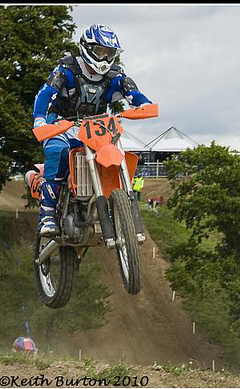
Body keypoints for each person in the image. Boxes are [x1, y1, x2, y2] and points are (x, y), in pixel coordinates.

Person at [32, 24, 152, 235]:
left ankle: (117, 205)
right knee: (57, 152)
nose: (104, 59)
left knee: (112, 152)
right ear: (87, 48)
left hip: (95, 126)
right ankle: (48, 213)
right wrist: (40, 119)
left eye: (109, 53)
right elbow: (45, 93)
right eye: (100, 52)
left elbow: (132, 91)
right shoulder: (67, 70)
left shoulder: (115, 76)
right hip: (61, 123)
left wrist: (144, 105)